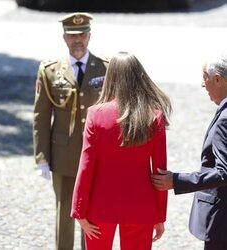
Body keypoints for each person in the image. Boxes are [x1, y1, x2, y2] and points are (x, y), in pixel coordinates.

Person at [70, 52, 172, 250]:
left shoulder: (95, 114)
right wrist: (159, 215)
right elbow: (160, 173)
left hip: (100, 206)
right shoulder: (155, 116)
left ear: (110, 77)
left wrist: (79, 211)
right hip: (141, 206)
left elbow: (86, 166)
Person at [33, 12, 108, 250]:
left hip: (97, 156)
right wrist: (42, 158)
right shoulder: (50, 70)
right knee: (65, 211)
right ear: (64, 37)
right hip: (63, 155)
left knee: (94, 213)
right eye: (73, 35)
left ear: (90, 36)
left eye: (82, 34)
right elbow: (41, 116)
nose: (78, 40)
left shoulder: (105, 68)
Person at [151, 54, 227, 250]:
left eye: (205, 77)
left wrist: (176, 181)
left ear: (218, 79)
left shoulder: (224, 119)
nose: (203, 85)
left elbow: (223, 172)